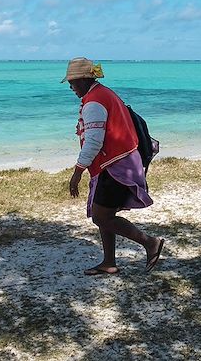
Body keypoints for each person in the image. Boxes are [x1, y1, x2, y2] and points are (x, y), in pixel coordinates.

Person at [62, 57, 164, 275]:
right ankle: (109, 262)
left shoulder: (94, 103)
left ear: (83, 79)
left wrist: (77, 172)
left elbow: (93, 142)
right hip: (120, 162)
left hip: (115, 166)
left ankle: (150, 243)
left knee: (101, 216)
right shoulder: (103, 93)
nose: (70, 87)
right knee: (104, 215)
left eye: (72, 81)